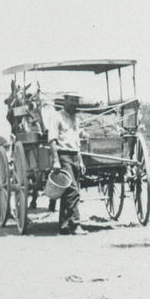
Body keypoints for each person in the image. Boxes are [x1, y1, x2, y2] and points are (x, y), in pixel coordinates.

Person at [52, 93, 86, 235]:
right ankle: (76, 224)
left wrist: (81, 160)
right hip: (63, 155)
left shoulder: (75, 119)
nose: (74, 104)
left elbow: (76, 142)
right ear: (65, 101)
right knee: (73, 190)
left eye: (76, 101)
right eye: (72, 101)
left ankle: (64, 226)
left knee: (67, 192)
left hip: (74, 156)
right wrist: (55, 160)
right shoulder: (57, 117)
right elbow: (52, 140)